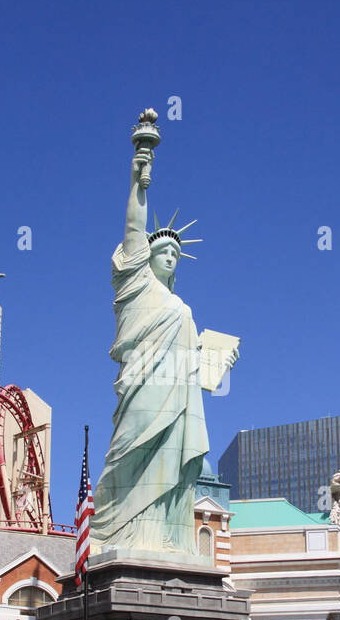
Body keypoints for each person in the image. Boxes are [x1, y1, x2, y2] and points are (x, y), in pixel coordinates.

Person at [92, 111, 238, 555]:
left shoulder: (182, 308)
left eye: (177, 252)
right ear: (147, 256)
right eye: (164, 250)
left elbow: (195, 367)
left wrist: (214, 362)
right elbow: (134, 226)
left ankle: (167, 538)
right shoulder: (135, 284)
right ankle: (121, 534)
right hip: (142, 392)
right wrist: (140, 174)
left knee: (176, 466)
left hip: (178, 399)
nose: (171, 256)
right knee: (130, 454)